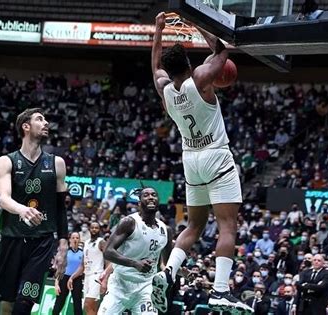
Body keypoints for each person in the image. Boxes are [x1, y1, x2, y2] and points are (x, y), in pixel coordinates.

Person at [150, 12, 253, 314]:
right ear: (189, 65)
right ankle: (220, 291)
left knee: (194, 225)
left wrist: (158, 30)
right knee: (227, 225)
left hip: (190, 160)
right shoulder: (202, 79)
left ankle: (167, 272)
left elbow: (155, 65)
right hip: (216, 155)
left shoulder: (165, 89)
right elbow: (221, 51)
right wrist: (196, 23)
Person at [0, 108, 69, 315]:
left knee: (25, 302)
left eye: (45, 120)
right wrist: (22, 210)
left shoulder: (57, 164)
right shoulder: (6, 161)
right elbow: (4, 198)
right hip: (11, 237)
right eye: (40, 119)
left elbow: (61, 207)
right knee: (7, 304)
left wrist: (63, 245)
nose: (46, 123)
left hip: (41, 242)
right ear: (26, 126)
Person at [97, 187, 173, 315]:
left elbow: (167, 262)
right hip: (120, 285)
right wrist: (135, 263)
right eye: (146, 195)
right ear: (139, 203)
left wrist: (181, 271)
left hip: (146, 287)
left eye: (154, 195)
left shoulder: (166, 230)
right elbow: (108, 252)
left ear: (158, 201)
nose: (151, 197)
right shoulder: (129, 222)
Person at [68, 222, 105, 315]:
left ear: (99, 230)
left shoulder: (101, 242)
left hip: (97, 276)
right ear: (89, 229)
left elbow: (109, 261)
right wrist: (72, 277)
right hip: (87, 277)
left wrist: (105, 278)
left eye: (96, 228)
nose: (94, 229)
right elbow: (82, 265)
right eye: (92, 227)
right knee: (92, 307)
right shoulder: (86, 243)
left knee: (87, 304)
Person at [52, 232, 83, 315]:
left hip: (77, 279)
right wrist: (56, 283)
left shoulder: (83, 253)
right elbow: (60, 268)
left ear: (80, 240)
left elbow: (83, 268)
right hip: (64, 278)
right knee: (59, 302)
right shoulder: (66, 252)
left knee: (77, 304)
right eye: (73, 238)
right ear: (70, 240)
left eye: (77, 238)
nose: (75, 239)